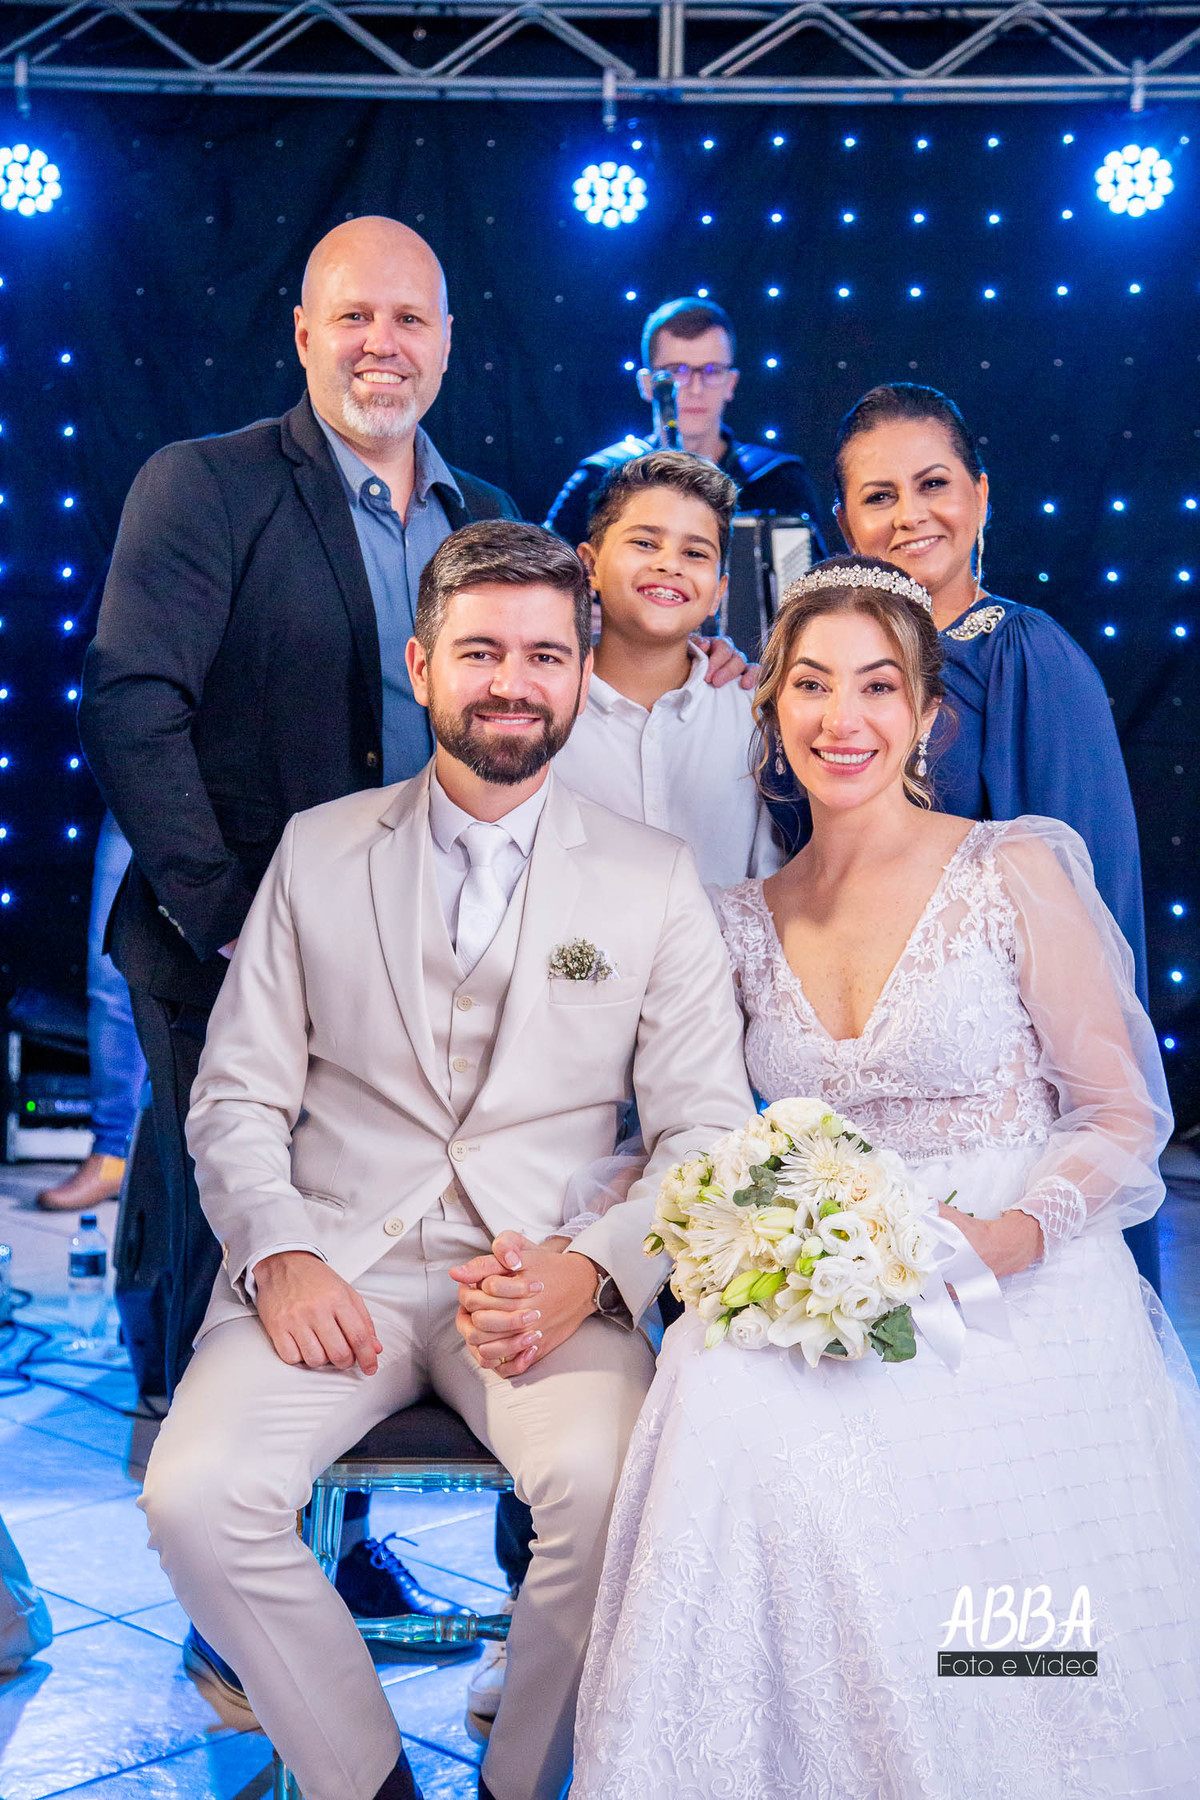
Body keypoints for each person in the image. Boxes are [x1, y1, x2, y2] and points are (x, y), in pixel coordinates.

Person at [138, 520, 754, 1800]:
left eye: (544, 655)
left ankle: (516, 1785)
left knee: (617, 1493)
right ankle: (367, 1781)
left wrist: (597, 1270)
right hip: (332, 1267)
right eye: (481, 652)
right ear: (422, 666)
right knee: (193, 1498)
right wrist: (280, 1250)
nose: (512, 683)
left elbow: (703, 1129)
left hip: (543, 1284)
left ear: (580, 672)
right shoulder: (317, 848)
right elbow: (236, 1093)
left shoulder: (653, 880)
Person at [571, 557, 1200, 1798]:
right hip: (815, 1273)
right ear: (772, 710)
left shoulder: (1013, 868)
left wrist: (1013, 1234)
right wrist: (604, 1226)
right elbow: (689, 1125)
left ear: (923, 714)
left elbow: (1124, 1111)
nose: (841, 718)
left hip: (1015, 1279)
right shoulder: (736, 920)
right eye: (810, 684)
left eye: (876, 686)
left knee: (987, 1623)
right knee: (721, 1411)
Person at [78, 216, 524, 1679]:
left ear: (446, 342)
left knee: (378, 1255)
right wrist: (235, 922)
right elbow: (133, 703)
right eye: (354, 316)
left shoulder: (486, 515)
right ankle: (232, 1607)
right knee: (234, 1250)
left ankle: (341, 1543)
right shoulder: (203, 484)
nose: (382, 343)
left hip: (421, 980)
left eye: (411, 318)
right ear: (305, 334)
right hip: (226, 961)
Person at [767, 381, 1157, 1287]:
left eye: (933, 484)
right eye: (879, 496)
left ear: (980, 495)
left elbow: (1090, 900)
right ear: (842, 523)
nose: (911, 515)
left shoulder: (1026, 655)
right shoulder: (817, 679)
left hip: (997, 1098)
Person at [554, 449, 783, 888]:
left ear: (718, 592)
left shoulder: (754, 714)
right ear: (590, 566)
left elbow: (771, 876)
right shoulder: (546, 712)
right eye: (644, 543)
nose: (669, 564)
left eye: (694, 553)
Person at [544, 297, 826, 554]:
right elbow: (544, 576)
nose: (695, 388)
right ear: (646, 384)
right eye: (677, 371)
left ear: (731, 383)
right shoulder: (599, 479)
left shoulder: (778, 480)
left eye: (712, 370)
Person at [37, 810, 147, 1212]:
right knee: (112, 982)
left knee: (246, 978)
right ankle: (113, 1155)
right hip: (140, 794)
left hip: (243, 799)